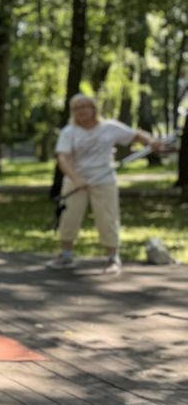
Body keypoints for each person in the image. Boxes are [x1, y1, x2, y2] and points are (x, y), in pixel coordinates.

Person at [49, 92, 165, 275]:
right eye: (77, 108)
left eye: (85, 106)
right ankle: (66, 255)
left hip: (103, 178)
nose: (81, 111)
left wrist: (151, 141)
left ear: (94, 109)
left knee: (108, 217)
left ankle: (113, 257)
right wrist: (76, 179)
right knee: (69, 216)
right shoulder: (68, 132)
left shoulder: (109, 127)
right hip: (75, 179)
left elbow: (135, 135)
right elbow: (62, 159)